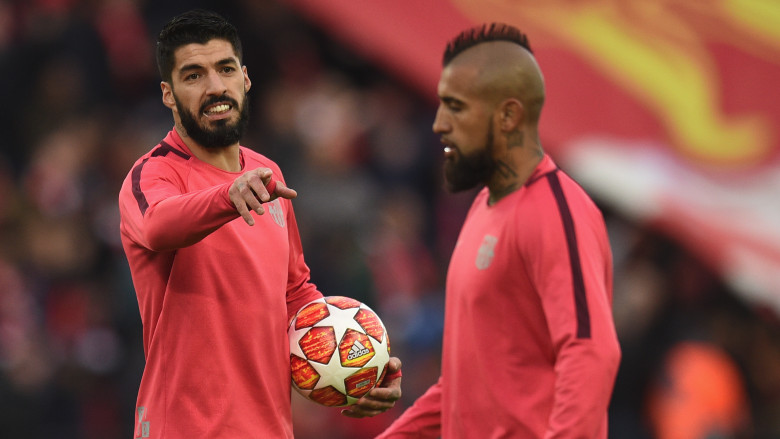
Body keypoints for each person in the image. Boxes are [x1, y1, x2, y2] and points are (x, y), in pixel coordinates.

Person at [117, 9, 401, 438]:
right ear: (168, 95)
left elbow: (295, 294)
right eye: (193, 76)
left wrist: (357, 362)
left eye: (225, 69)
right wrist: (226, 196)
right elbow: (157, 226)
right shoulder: (153, 174)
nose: (215, 86)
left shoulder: (267, 175)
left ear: (245, 79)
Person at [377, 23, 621, 438]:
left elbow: (591, 352)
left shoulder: (557, 211)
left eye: (455, 107)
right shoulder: (484, 208)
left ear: (508, 116)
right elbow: (462, 390)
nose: (438, 124)